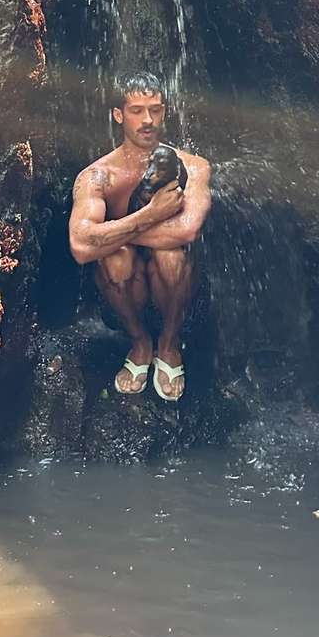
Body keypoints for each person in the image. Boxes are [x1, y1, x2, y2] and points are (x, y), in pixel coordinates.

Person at [69, 73, 212, 401]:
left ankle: (169, 344)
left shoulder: (194, 166)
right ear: (118, 115)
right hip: (122, 290)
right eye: (136, 110)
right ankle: (141, 342)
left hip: (177, 288)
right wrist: (150, 216)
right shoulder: (97, 176)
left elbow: (188, 229)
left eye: (155, 110)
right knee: (115, 258)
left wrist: (113, 233)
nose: (147, 120)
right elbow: (80, 246)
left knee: (171, 254)